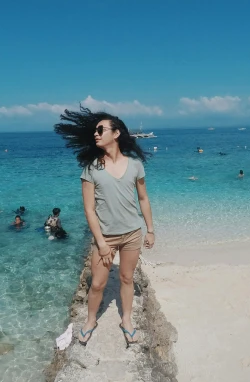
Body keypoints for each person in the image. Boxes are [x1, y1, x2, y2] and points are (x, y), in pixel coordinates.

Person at [54, 107, 155, 347]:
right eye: (95, 131)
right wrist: (100, 242)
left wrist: (150, 229)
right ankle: (90, 321)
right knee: (97, 283)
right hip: (105, 237)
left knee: (126, 278)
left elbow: (143, 199)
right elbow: (89, 209)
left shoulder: (135, 165)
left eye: (101, 130)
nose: (96, 134)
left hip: (132, 233)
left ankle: (127, 321)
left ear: (116, 133)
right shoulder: (91, 168)